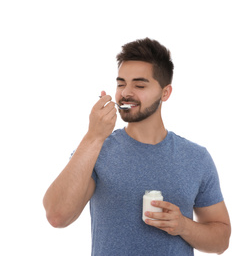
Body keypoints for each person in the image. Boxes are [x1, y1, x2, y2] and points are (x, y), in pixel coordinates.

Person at [43, 38, 231, 255]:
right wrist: (93, 136)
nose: (126, 93)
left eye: (139, 85)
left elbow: (221, 241)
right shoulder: (97, 149)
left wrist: (183, 226)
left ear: (165, 93)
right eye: (121, 84)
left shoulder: (196, 158)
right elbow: (57, 216)